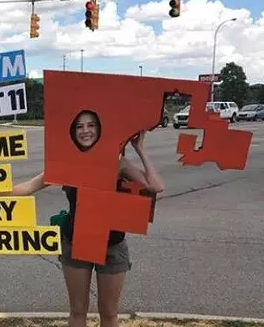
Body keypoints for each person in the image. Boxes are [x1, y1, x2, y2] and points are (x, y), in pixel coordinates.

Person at [8, 111, 165, 327]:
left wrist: (140, 150)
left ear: (99, 129)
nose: (85, 131)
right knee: (77, 311)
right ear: (73, 132)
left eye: (91, 125)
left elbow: (156, 187)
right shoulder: (67, 164)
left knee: (109, 313)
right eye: (79, 126)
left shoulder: (118, 163)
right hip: (76, 244)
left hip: (113, 246)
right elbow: (26, 188)